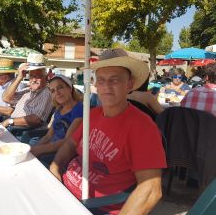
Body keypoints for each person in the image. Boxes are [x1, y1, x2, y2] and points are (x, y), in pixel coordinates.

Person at [49, 48, 167, 215]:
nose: (106, 87)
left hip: (95, 206)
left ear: (129, 84)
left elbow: (151, 189)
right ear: (95, 84)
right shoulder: (92, 114)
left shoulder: (142, 126)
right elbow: (70, 143)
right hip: (61, 190)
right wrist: (55, 166)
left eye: (114, 80)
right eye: (102, 80)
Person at [29, 74, 83, 167]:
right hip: (51, 148)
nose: (57, 93)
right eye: (53, 91)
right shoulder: (59, 110)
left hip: (63, 154)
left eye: (60, 87)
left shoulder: (80, 109)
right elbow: (48, 136)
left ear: (70, 88)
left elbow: (67, 141)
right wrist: (34, 148)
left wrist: (39, 150)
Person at [1, 53, 53, 129]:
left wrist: (9, 121)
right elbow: (6, 98)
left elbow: (36, 119)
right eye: (32, 76)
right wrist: (19, 77)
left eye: (38, 76)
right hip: (13, 128)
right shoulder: (28, 91)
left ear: (45, 77)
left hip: (24, 133)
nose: (34, 79)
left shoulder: (45, 92)